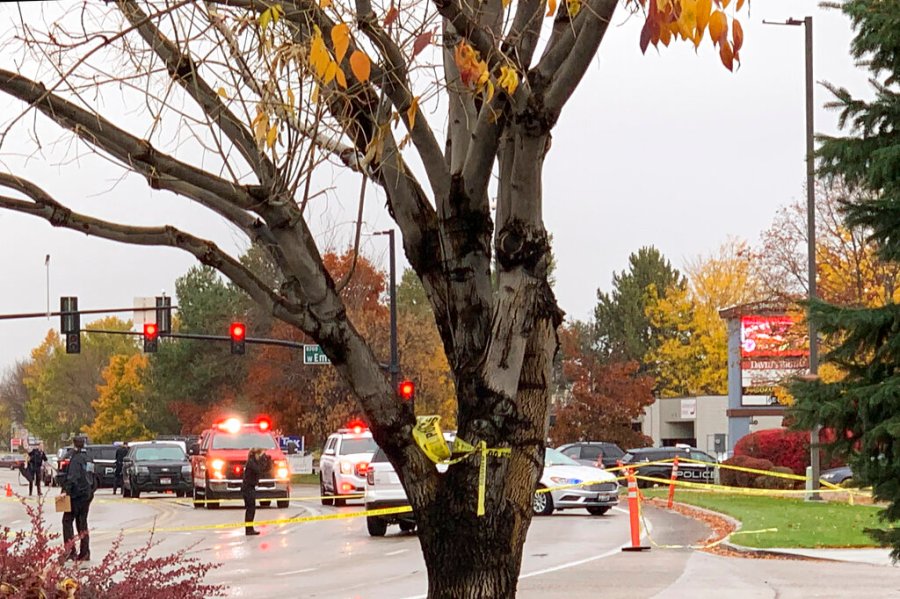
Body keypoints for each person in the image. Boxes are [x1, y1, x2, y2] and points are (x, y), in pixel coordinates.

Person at [61, 436, 94, 561]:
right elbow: (92, 475)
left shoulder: (75, 459)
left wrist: (66, 491)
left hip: (76, 495)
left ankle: (70, 551)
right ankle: (85, 552)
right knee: (82, 523)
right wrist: (91, 491)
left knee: (67, 521)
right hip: (87, 494)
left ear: (74, 444)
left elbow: (72, 478)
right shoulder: (89, 458)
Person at [241, 448, 271, 536]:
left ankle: (250, 528)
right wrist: (262, 460)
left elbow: (264, 470)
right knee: (250, 509)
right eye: (260, 455)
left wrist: (268, 461)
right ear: (256, 454)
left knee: (252, 509)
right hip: (247, 488)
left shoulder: (254, 462)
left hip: (251, 487)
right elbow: (257, 470)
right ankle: (248, 529)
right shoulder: (251, 462)